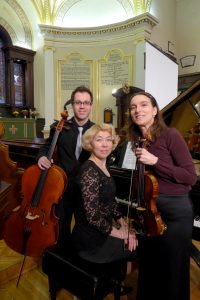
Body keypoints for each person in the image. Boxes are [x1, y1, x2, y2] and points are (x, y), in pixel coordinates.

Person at [126, 91, 197, 300]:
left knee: (173, 271)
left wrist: (155, 161)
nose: (138, 110)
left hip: (175, 212)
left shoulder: (171, 135)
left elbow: (190, 177)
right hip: (150, 210)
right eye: (133, 107)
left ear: (155, 110)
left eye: (144, 105)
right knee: (150, 264)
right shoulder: (137, 141)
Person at [72, 123, 138, 267]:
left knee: (133, 237)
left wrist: (121, 221)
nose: (104, 145)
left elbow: (110, 200)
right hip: (90, 241)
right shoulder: (89, 171)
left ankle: (117, 281)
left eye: (108, 140)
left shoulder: (103, 165)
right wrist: (120, 234)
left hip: (102, 230)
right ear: (90, 143)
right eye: (99, 139)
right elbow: (93, 216)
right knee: (139, 246)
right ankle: (117, 281)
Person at [37, 85, 94, 249]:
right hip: (62, 185)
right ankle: (61, 258)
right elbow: (46, 147)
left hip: (85, 187)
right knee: (62, 224)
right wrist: (41, 157)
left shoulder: (97, 130)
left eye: (86, 103)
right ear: (73, 105)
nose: (82, 106)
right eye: (78, 102)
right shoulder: (60, 126)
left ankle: (79, 258)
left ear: (91, 106)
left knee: (84, 226)